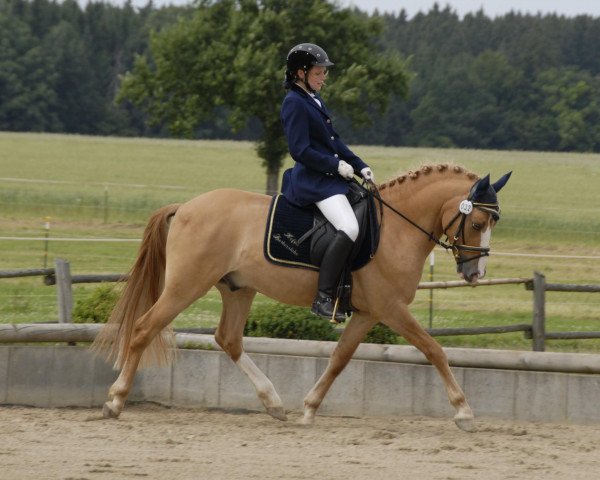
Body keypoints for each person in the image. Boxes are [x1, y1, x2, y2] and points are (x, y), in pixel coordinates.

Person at [280, 43, 375, 321]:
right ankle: (323, 297)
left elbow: (335, 142)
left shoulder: (314, 99)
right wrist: (336, 165)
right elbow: (300, 150)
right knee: (349, 227)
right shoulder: (294, 102)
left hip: (330, 178)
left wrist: (360, 165)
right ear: (301, 73)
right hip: (313, 182)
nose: (324, 77)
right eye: (319, 72)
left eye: (324, 73)